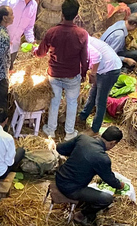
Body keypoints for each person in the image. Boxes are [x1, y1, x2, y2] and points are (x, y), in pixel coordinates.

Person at [34, 0, 89, 141]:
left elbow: (41, 53)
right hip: (72, 75)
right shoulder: (82, 34)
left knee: (54, 101)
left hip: (55, 74)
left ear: (61, 13)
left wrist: (35, 51)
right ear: (77, 15)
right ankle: (69, 133)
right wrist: (83, 73)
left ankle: (51, 130)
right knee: (72, 103)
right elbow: (84, 58)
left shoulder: (52, 32)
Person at [55, 126, 126, 226]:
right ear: (113, 143)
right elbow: (110, 180)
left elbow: (60, 148)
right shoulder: (102, 158)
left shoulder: (83, 138)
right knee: (107, 199)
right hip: (71, 189)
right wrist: (121, 185)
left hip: (59, 177)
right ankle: (81, 215)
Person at [79, 37, 122, 135]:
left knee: (100, 100)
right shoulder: (83, 39)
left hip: (110, 69)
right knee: (92, 94)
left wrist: (93, 74)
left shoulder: (85, 43)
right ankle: (82, 116)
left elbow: (97, 56)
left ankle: (95, 129)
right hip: (102, 68)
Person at [0, 0, 38, 70]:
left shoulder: (34, 5)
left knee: (8, 68)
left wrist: (31, 41)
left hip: (14, 45)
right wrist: (3, 35)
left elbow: (29, 27)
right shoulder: (10, 1)